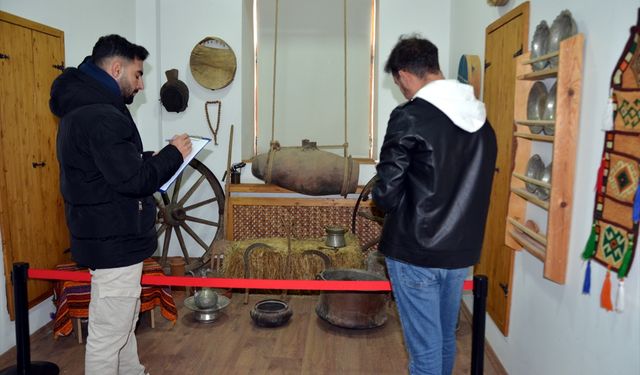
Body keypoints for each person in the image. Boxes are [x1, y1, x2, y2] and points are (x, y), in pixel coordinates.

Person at [50, 34, 192, 375]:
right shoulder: (103, 116)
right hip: (114, 239)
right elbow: (133, 181)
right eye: (137, 74)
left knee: (122, 324)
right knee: (107, 335)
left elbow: (107, 169)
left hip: (105, 235)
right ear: (116, 68)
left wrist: (146, 158)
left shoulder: (84, 109)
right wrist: (175, 154)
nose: (141, 85)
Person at [372, 35, 497, 375]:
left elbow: (386, 194)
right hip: (460, 253)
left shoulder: (409, 117)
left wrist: (381, 193)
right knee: (443, 341)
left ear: (405, 75)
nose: (403, 92)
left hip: (415, 251)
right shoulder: (482, 122)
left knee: (423, 353)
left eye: (400, 85)